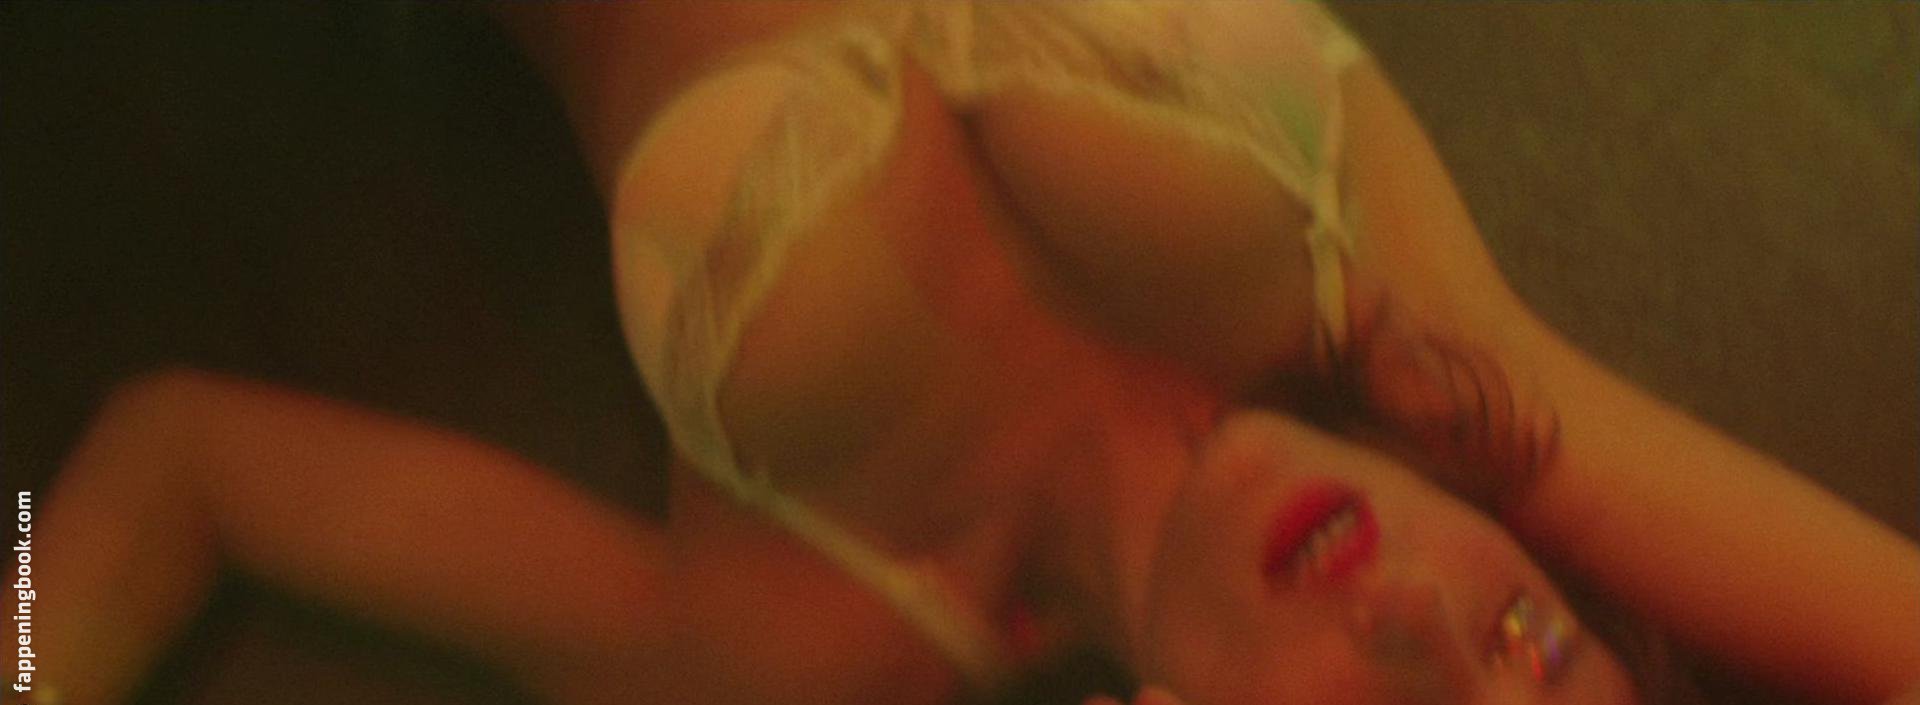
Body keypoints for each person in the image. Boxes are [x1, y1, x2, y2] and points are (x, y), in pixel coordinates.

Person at [20, 3, 1920, 705]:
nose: (1426, 614)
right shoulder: (1431, 354)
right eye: (1532, 641)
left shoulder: (797, 621)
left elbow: (170, 456)